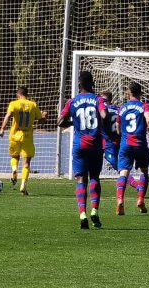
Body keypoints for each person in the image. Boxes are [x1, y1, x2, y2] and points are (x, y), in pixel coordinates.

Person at [58, 72, 108, 229]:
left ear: (79, 85)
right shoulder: (97, 99)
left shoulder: (72, 102)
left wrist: (74, 123)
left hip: (79, 146)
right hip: (95, 145)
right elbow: (104, 115)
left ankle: (82, 214)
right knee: (94, 177)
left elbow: (59, 122)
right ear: (92, 84)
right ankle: (94, 210)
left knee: (81, 180)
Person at [115, 82, 149, 215]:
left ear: (129, 93)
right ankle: (140, 199)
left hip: (125, 144)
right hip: (140, 144)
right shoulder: (144, 106)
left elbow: (118, 126)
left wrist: (121, 135)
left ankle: (120, 200)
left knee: (123, 173)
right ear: (140, 93)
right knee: (144, 172)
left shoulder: (122, 108)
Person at [0, 87, 47, 196]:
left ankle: (15, 169)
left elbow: (8, 115)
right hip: (27, 136)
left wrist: (2, 128)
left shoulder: (14, 104)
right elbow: (41, 121)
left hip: (15, 134)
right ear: (27, 94)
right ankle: (23, 185)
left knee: (15, 157)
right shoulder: (33, 105)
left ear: (18, 94)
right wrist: (44, 116)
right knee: (26, 162)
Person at [101, 91, 138, 189]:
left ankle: (138, 186)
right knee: (122, 167)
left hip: (110, 144)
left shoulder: (102, 111)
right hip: (121, 142)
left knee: (120, 169)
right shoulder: (119, 109)